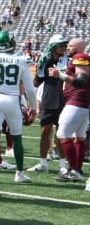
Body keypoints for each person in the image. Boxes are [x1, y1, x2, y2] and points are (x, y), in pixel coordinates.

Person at [0, 31, 36, 184]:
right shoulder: (22, 59)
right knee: (17, 138)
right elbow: (30, 89)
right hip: (13, 100)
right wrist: (32, 106)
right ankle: (19, 173)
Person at [28, 35, 69, 173]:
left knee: (62, 134)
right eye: (61, 45)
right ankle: (43, 164)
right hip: (49, 98)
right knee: (45, 133)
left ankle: (63, 166)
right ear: (53, 46)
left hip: (64, 99)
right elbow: (36, 83)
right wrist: (40, 68)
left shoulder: (68, 60)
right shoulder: (46, 60)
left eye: (64, 45)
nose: (63, 48)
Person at [51, 38, 89, 182]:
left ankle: (73, 169)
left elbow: (81, 81)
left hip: (77, 102)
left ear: (79, 47)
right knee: (79, 137)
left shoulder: (80, 57)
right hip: (82, 102)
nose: (67, 48)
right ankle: (77, 170)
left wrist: (59, 75)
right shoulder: (79, 58)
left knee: (63, 133)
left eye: (71, 46)